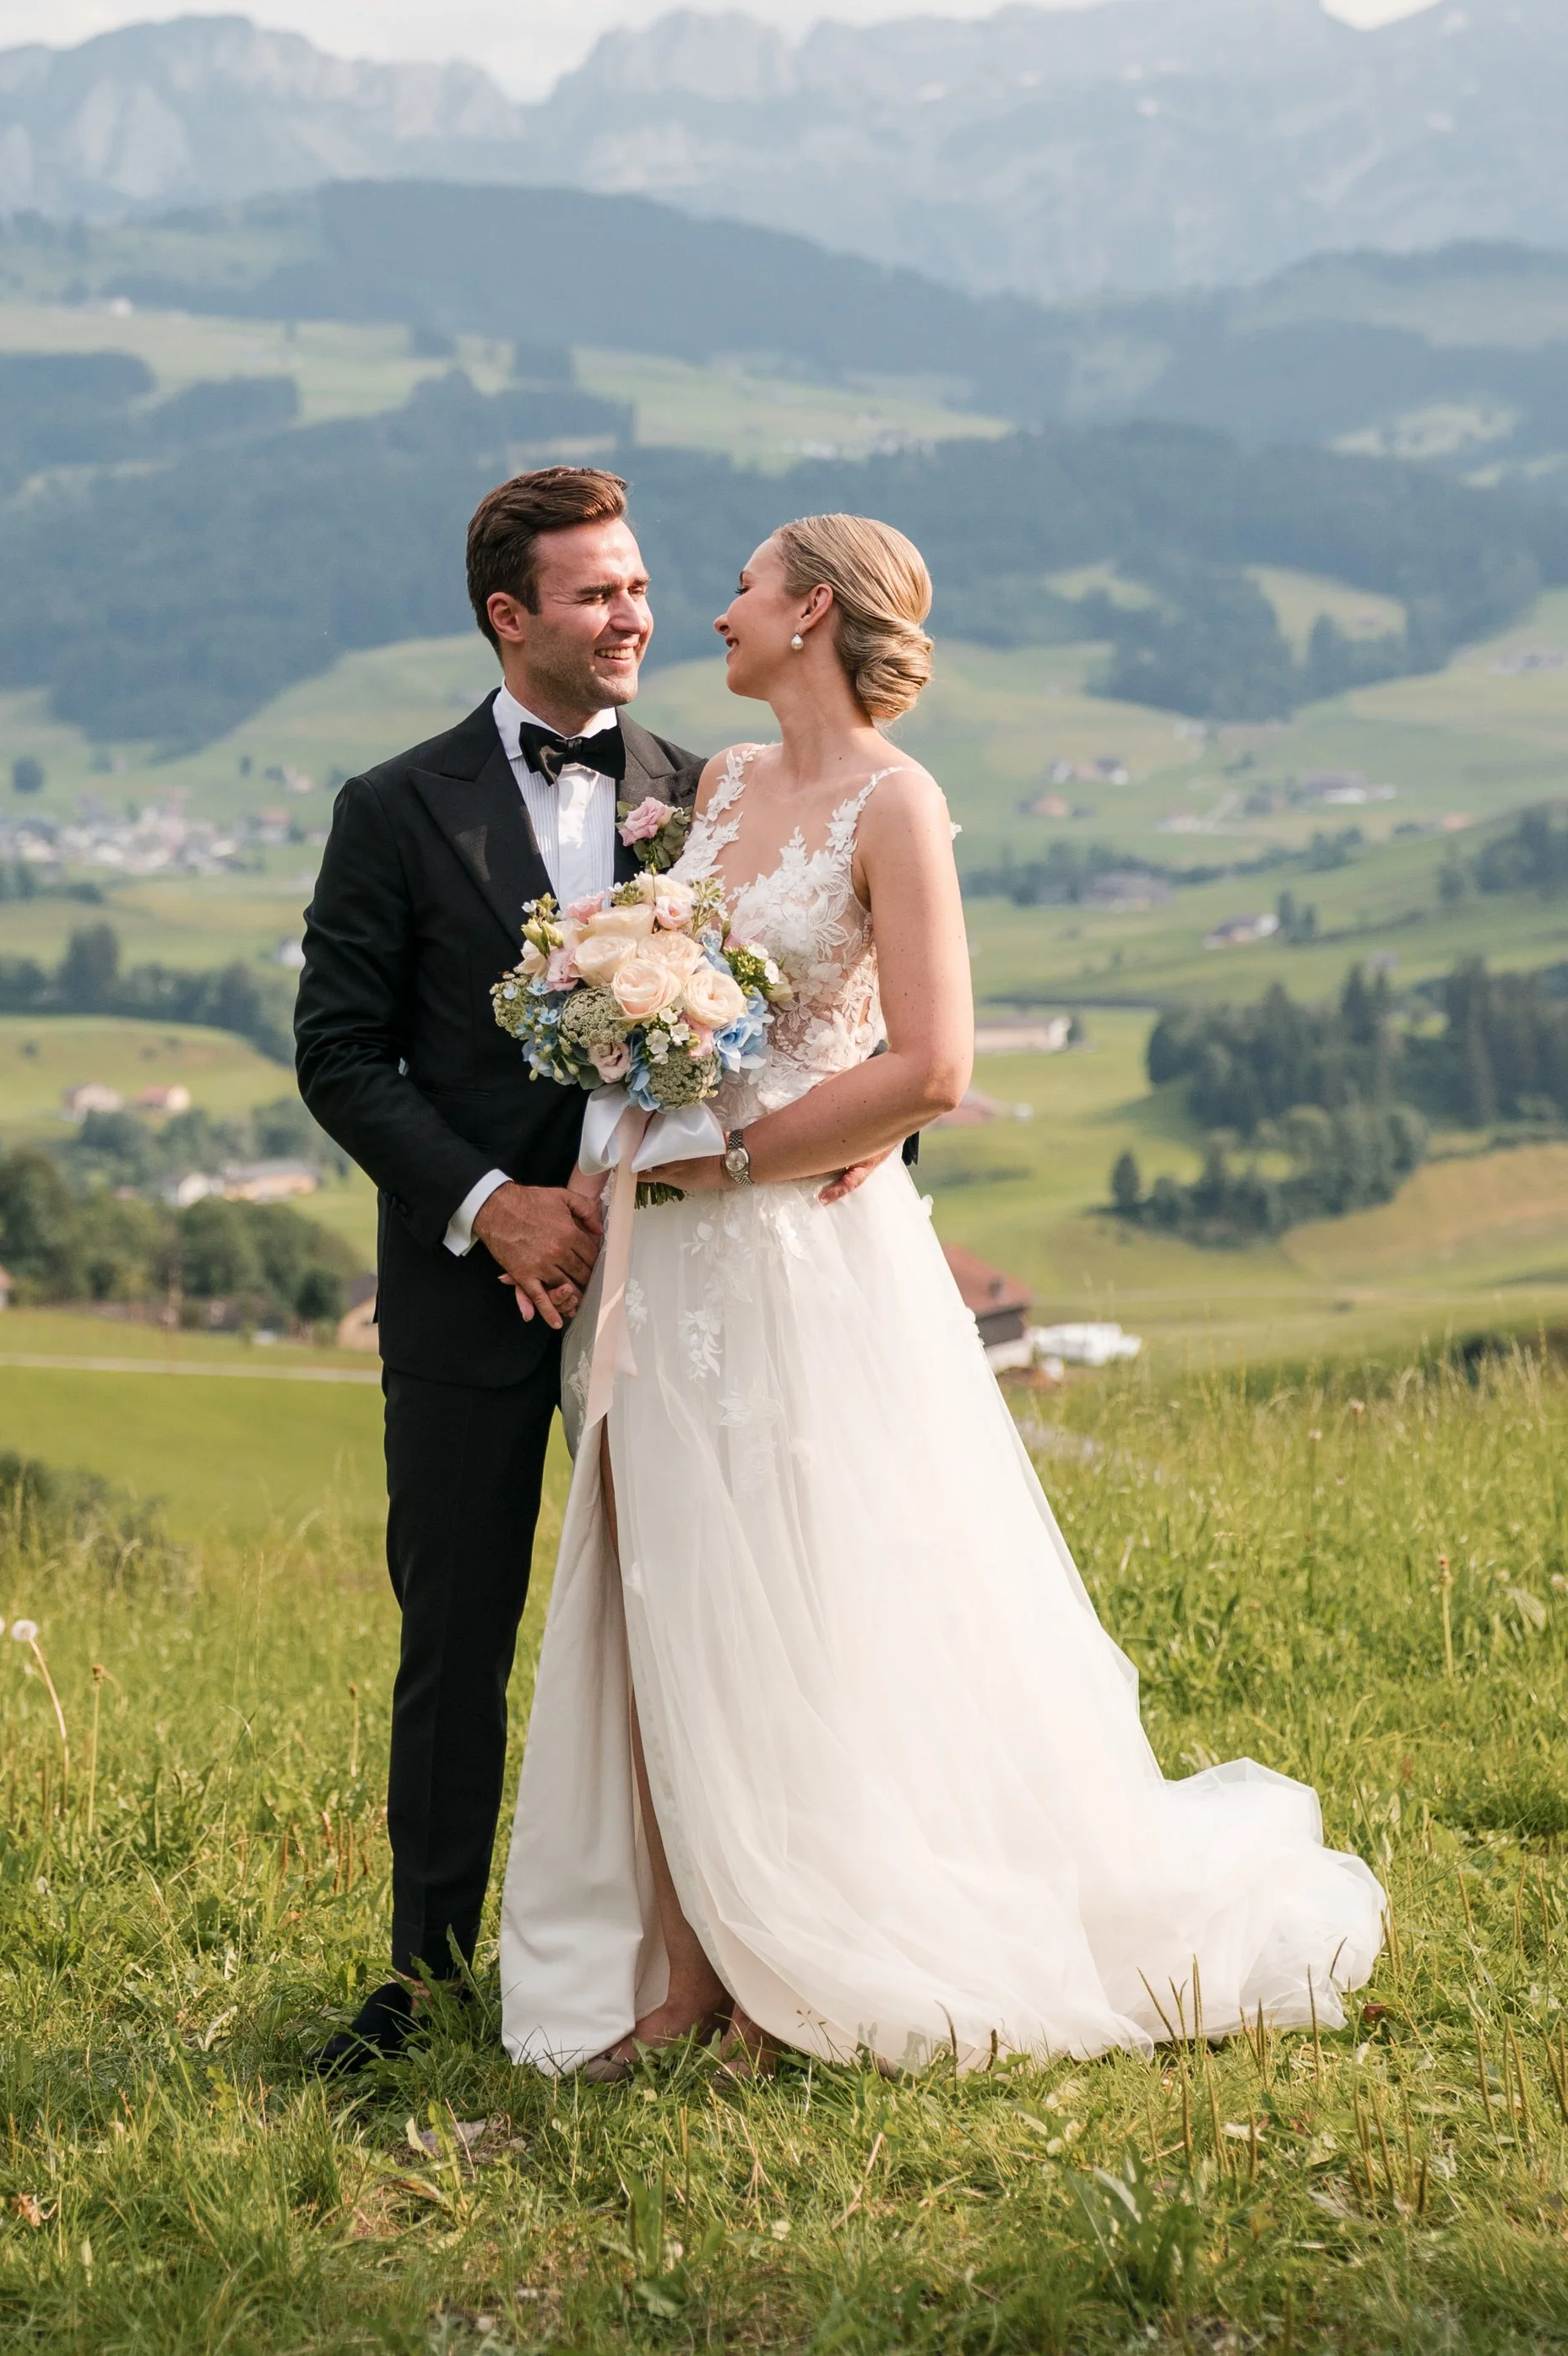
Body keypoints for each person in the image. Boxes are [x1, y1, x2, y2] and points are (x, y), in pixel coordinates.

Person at [499, 513, 1385, 2076]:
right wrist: (627, 1094)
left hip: (796, 1258)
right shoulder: (714, 786)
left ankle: (808, 1964)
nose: (715, 611)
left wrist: (739, 1157)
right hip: (672, 1253)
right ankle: (695, 1970)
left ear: (812, 611)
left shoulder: (897, 807)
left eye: (746, 587)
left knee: (817, 1597)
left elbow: (933, 1062)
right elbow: (686, 1000)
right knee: (684, 1596)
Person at [293, 465, 704, 2072]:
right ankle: (430, 1977)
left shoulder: (704, 785)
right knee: (455, 1633)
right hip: (470, 1290)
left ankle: (705, 1957)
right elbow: (339, 1055)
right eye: (597, 592)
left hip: (673, 1286)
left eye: (642, 585)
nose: (633, 617)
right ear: (507, 614)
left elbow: (783, 1013)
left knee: (686, 1621)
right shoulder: (392, 806)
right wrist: (493, 1205)